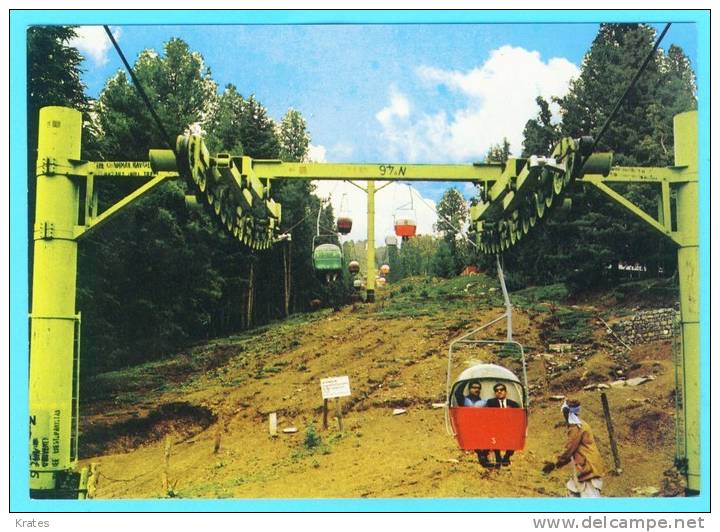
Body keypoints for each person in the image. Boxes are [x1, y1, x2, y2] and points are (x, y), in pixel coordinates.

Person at [542, 399, 606, 497]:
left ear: (567, 412)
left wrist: (555, 463)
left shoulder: (576, 427)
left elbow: (569, 449)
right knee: (572, 492)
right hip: (585, 466)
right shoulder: (580, 425)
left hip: (588, 467)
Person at [484, 382, 520, 466]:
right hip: (495, 427)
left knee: (515, 436)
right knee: (493, 434)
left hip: (509, 427)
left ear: (506, 392)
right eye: (497, 390)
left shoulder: (513, 404)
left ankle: (507, 456)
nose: (499, 391)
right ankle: (497, 455)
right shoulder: (490, 402)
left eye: (501, 390)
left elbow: (518, 417)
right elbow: (487, 415)